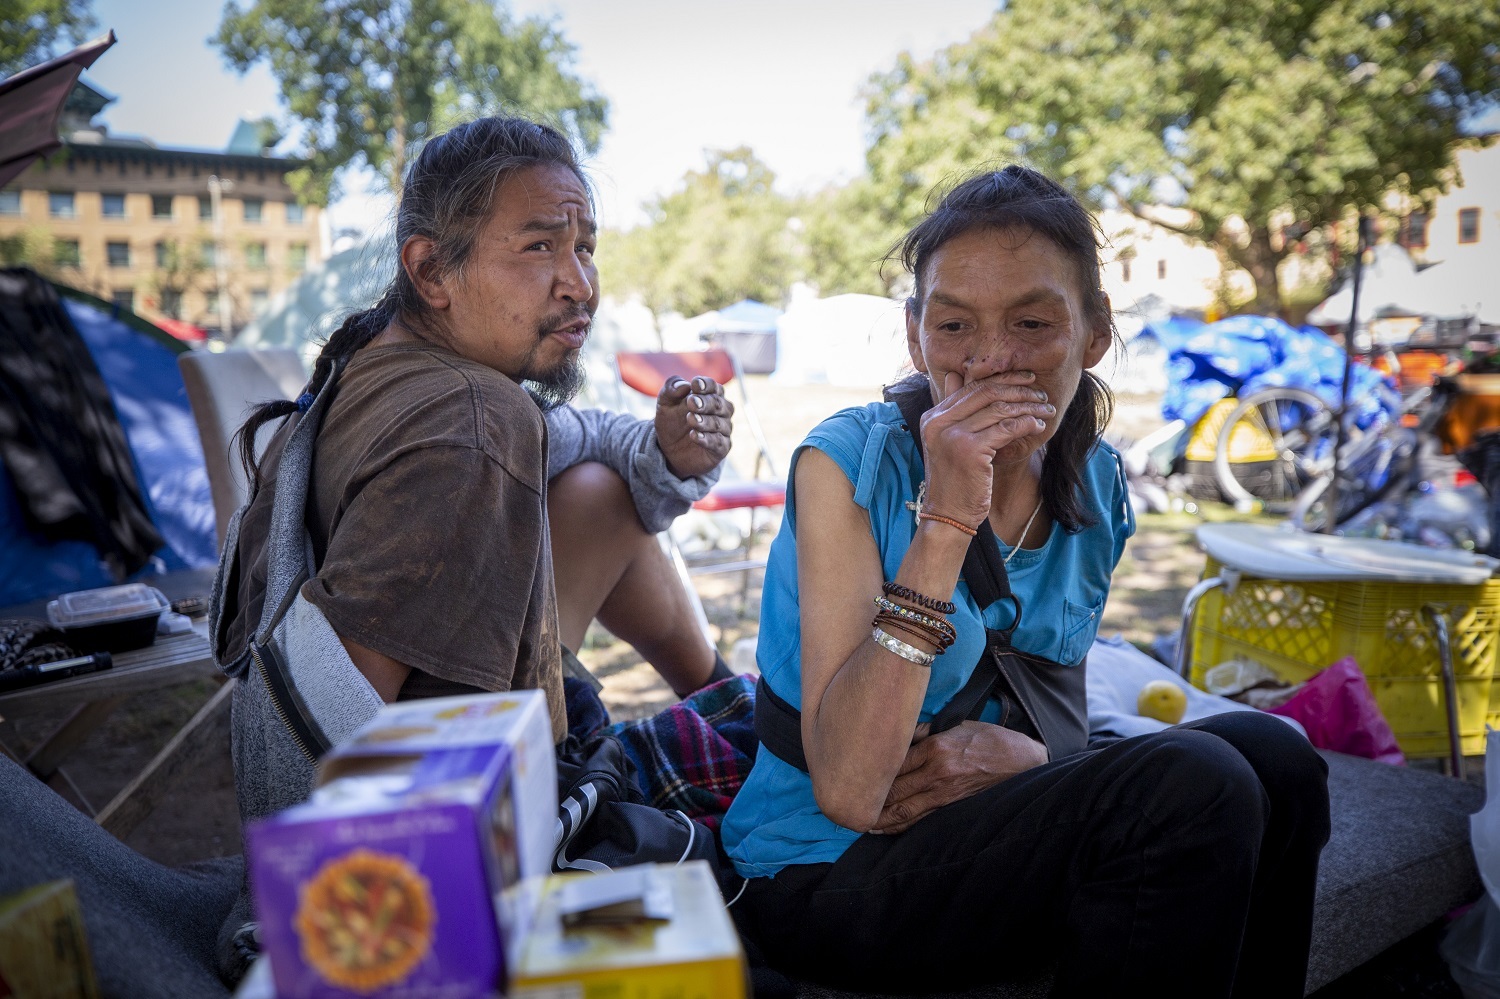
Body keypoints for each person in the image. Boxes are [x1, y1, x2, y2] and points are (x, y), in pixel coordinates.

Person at [720, 166, 1330, 997]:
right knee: (1196, 785)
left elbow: (1055, 709)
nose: (990, 360)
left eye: (1033, 322)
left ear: (1094, 333)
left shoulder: (1099, 483)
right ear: (915, 335)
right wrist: (944, 522)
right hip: (827, 865)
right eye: (955, 325)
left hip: (988, 827)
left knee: (1277, 758)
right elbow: (853, 787)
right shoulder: (846, 465)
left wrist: (1037, 758)